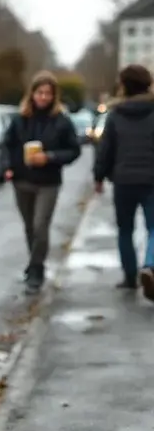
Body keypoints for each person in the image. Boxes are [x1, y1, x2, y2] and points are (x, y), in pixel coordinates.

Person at [3, 71, 81, 294]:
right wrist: (9, 167)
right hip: (22, 180)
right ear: (32, 93)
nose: (44, 97)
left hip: (48, 182)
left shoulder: (62, 121)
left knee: (40, 225)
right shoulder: (19, 120)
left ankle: (36, 269)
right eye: (40, 92)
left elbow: (74, 150)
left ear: (54, 96)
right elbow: (8, 144)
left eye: (48, 93)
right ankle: (35, 264)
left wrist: (50, 157)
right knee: (29, 227)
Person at [92, 64, 154, 300]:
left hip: (124, 180)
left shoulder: (116, 114)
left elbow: (106, 149)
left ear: (124, 86)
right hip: (151, 180)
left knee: (125, 230)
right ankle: (150, 265)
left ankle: (130, 278)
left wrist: (99, 177)